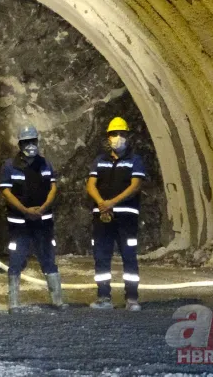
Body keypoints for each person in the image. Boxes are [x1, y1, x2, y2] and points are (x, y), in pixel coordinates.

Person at [0, 124, 67, 312]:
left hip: (43, 222)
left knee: (48, 258)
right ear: (20, 144)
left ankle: (57, 300)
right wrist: (25, 210)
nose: (31, 145)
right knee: (16, 260)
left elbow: (53, 187)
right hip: (19, 224)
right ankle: (14, 302)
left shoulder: (45, 164)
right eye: (27, 142)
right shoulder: (9, 166)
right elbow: (6, 191)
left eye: (33, 141)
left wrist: (43, 208)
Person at [85, 117, 147, 311]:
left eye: (121, 134)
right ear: (108, 137)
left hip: (126, 217)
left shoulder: (134, 160)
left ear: (128, 137)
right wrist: (101, 203)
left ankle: (132, 298)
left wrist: (112, 202)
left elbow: (135, 185)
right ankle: (104, 297)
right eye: (114, 134)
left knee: (129, 255)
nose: (117, 138)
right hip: (102, 217)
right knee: (101, 256)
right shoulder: (100, 161)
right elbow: (91, 184)